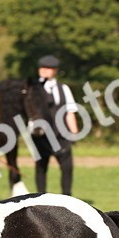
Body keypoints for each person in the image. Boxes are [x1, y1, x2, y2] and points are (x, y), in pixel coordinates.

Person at [25, 54, 79, 195]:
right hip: (40, 136)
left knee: (67, 168)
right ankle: (40, 197)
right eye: (42, 67)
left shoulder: (64, 88)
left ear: (55, 70)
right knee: (41, 168)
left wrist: (74, 132)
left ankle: (67, 198)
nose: (44, 70)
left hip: (61, 135)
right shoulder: (31, 88)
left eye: (48, 68)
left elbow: (70, 111)